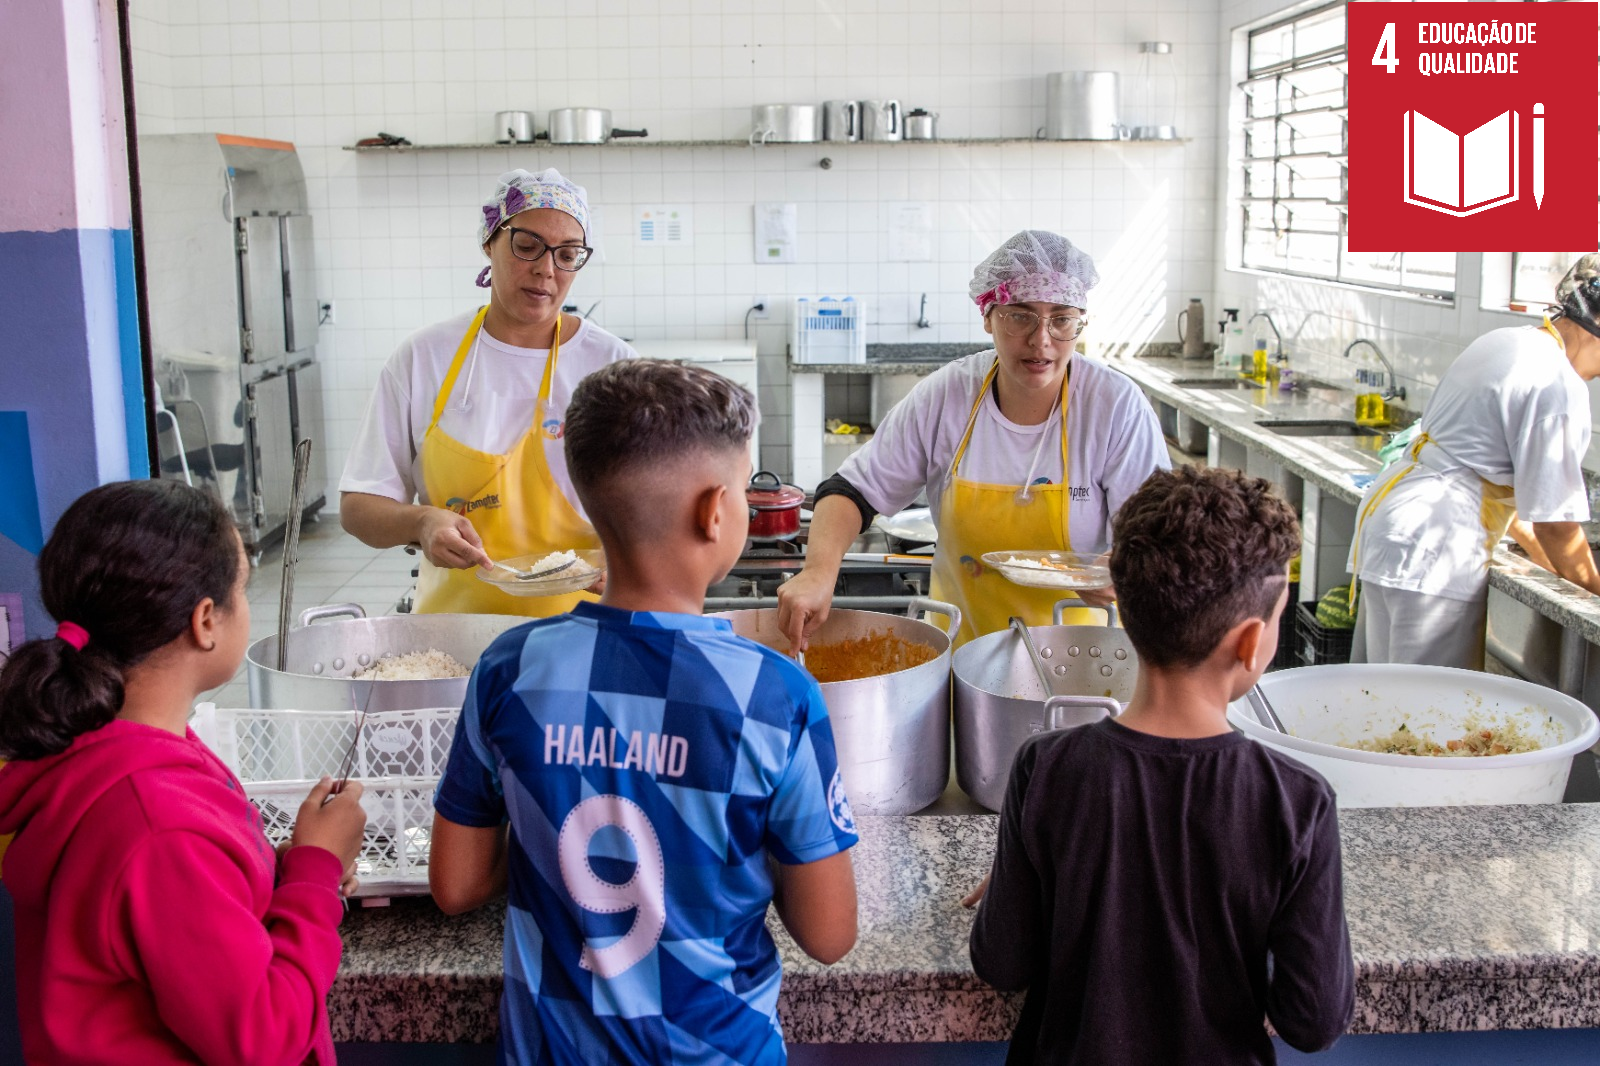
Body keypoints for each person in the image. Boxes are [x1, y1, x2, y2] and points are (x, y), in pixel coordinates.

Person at [428, 359, 859, 1065]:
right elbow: (830, 933)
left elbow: (456, 884)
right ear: (714, 511)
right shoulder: (772, 696)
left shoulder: (510, 669)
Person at [967, 466, 1354, 1065]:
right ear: (1251, 642)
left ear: (1127, 611)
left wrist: (1028, 879)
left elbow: (1001, 963)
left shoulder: (1046, 769)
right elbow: (1313, 1019)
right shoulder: (1297, 801)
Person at [0, 480, 368, 1065]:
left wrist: (286, 869)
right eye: (243, 589)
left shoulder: (111, 748)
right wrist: (317, 876)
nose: (245, 604)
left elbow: (184, 913)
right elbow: (264, 1039)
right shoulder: (155, 822)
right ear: (205, 621)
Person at [776, 230, 1169, 650]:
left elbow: (1160, 538)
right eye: (1020, 315)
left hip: (1086, 662)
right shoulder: (949, 395)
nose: (1041, 339)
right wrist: (818, 571)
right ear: (988, 316)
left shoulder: (1114, 406)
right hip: (963, 655)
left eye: (1061, 318)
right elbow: (853, 489)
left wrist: (1124, 570)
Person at [340, 167, 633, 615]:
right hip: (455, 635)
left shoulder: (612, 365)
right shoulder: (424, 358)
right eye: (527, 245)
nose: (545, 268)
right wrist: (421, 522)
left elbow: (658, 501)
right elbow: (359, 507)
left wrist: (636, 555)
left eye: (568, 254)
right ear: (489, 242)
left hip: (585, 631)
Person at [1349, 253, 1600, 669]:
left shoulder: (1510, 341)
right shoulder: (1559, 385)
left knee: (1384, 699)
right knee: (1427, 714)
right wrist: (1593, 590)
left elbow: (1495, 479)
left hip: (1395, 524)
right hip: (1435, 548)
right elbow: (1556, 523)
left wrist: (1542, 559)